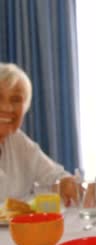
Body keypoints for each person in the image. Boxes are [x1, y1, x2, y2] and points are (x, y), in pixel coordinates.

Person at [0, 63, 78, 205]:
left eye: (16, 99)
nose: (7, 107)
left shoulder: (18, 141)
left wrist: (65, 183)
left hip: (20, 226)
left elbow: (55, 175)